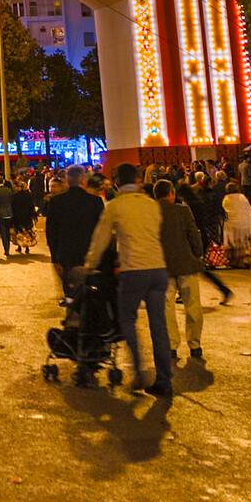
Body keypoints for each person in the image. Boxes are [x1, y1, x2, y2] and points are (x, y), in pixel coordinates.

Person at [82, 163, 172, 398]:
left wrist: (89, 265)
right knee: (159, 325)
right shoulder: (152, 205)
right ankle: (164, 379)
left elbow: (100, 238)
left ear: (117, 183)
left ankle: (139, 370)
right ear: (139, 181)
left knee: (127, 319)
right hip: (158, 268)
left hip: (134, 269)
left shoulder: (115, 206)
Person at [153, 179, 207, 363]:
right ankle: (195, 345)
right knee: (192, 305)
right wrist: (198, 254)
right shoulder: (182, 210)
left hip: (162, 267)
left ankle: (171, 346)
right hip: (186, 264)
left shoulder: (150, 213)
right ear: (171, 193)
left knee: (166, 308)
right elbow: (194, 234)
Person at [45, 166, 103, 294]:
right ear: (83, 180)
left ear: (67, 180)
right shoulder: (95, 201)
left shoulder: (56, 202)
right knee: (91, 292)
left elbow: (51, 232)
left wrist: (55, 257)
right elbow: (101, 231)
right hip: (89, 253)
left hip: (66, 254)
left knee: (70, 292)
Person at [221, 186, 251, 268]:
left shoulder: (226, 199)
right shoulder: (242, 197)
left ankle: (236, 262)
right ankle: (249, 261)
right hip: (245, 222)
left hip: (232, 224)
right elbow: (247, 208)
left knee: (235, 242)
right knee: (247, 242)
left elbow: (225, 211)